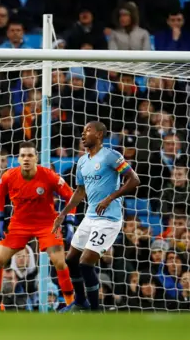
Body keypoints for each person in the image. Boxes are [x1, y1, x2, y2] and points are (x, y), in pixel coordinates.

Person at [55, 121, 140, 312]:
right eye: (83, 131)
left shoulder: (111, 156)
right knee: (70, 260)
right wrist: (62, 214)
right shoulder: (82, 162)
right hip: (90, 217)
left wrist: (110, 198)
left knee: (85, 263)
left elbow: (134, 180)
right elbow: (79, 192)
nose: (83, 135)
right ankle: (80, 301)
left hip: (109, 219)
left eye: (88, 131)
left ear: (100, 135)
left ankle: (94, 311)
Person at [0, 142, 77, 310]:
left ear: (36, 158)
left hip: (47, 224)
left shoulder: (49, 176)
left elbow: (70, 195)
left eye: (30, 155)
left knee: (60, 263)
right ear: (18, 159)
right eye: (22, 155)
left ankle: (71, 305)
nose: (26, 158)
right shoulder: (9, 176)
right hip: (19, 224)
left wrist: (70, 222)